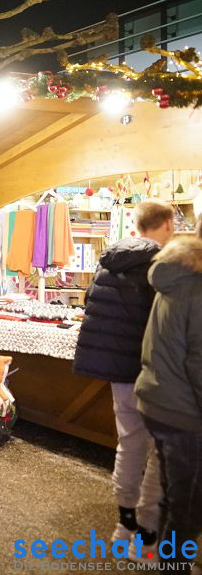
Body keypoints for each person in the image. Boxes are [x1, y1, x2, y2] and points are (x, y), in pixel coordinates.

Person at [74, 200, 173, 555]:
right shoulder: (161, 266)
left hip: (119, 372)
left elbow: (91, 310)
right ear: (167, 223)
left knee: (129, 443)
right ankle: (146, 535)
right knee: (160, 451)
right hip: (151, 371)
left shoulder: (109, 262)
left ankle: (124, 525)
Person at [135, 219, 202, 568]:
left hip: (159, 400)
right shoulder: (196, 283)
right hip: (184, 412)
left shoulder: (178, 273)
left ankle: (168, 563)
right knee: (187, 508)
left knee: (174, 498)